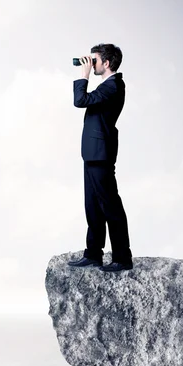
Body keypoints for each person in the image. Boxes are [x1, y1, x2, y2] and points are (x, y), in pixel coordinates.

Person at [67, 43, 133, 272]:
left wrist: (83, 77)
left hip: (101, 154)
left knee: (110, 205)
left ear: (106, 63)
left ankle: (122, 258)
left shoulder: (113, 85)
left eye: (94, 60)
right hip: (93, 153)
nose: (91, 64)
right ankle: (93, 253)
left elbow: (80, 100)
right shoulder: (106, 87)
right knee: (93, 206)